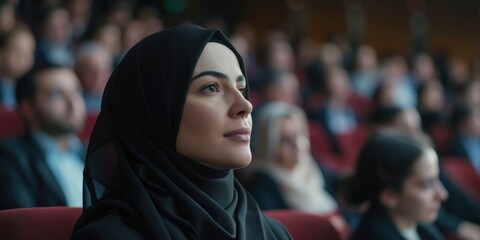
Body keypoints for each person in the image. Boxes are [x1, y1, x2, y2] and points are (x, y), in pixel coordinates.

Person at [71, 24, 291, 239]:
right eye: (211, 87)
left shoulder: (274, 233)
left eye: (242, 89)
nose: (245, 106)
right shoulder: (107, 236)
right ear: (154, 112)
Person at [243, 101, 347, 235]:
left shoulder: (311, 167)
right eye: (286, 140)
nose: (297, 145)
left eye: (300, 135)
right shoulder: (260, 183)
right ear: (268, 144)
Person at [0, 64, 87, 209]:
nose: (73, 103)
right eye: (57, 94)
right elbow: (25, 225)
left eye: (77, 91)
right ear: (27, 109)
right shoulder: (9, 157)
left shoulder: (95, 152)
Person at [345, 132, 448, 240]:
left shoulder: (422, 229)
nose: (442, 194)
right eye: (426, 185)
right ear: (389, 196)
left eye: (437, 180)